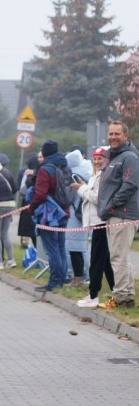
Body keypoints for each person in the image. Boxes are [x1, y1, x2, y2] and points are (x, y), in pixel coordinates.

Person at [97, 121, 138, 309]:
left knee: (118, 257)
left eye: (117, 134)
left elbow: (130, 185)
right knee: (121, 256)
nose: (113, 137)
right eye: (111, 133)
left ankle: (121, 297)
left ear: (125, 136)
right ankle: (126, 296)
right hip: (113, 215)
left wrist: (112, 206)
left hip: (122, 214)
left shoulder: (129, 157)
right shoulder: (112, 157)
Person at [27, 140, 71, 292]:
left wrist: (31, 208)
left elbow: (40, 194)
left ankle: (54, 281)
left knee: (51, 248)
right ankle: (63, 278)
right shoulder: (64, 166)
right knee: (60, 247)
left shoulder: (45, 169)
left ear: (45, 153)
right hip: (64, 211)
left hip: (50, 214)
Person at [74, 147, 114, 308]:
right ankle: (116, 292)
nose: (97, 162)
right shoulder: (95, 175)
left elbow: (97, 198)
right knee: (105, 262)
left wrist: (81, 189)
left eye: (100, 159)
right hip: (96, 222)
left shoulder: (104, 176)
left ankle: (93, 295)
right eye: (95, 159)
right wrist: (85, 186)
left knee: (96, 260)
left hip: (101, 222)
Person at [64, 149, 92, 287]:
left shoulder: (74, 176)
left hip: (74, 217)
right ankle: (78, 277)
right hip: (81, 216)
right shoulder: (86, 173)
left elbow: (70, 197)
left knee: (75, 250)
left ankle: (79, 278)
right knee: (78, 249)